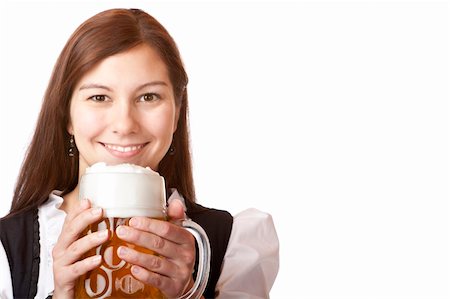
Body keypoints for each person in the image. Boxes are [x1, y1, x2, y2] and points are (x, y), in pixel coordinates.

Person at [0, 8, 279, 299]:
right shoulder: (7, 250)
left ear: (176, 113)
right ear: (67, 116)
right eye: (99, 97)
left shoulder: (232, 243)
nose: (125, 124)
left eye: (148, 96)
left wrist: (188, 294)